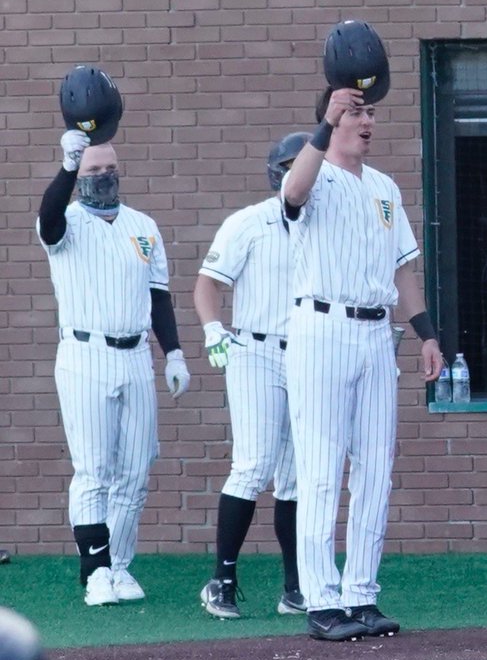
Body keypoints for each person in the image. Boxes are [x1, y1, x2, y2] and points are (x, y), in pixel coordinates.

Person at [281, 86, 443, 641]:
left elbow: (403, 270)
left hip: (376, 331)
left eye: (370, 112)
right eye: (355, 111)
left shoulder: (384, 187)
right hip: (321, 326)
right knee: (321, 469)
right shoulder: (314, 170)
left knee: (376, 467)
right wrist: (324, 124)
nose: (366, 120)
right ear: (332, 118)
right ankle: (321, 600)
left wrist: (427, 334)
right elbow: (293, 192)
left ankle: (361, 594)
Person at [37, 130, 191, 606]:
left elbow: (158, 296)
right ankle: (96, 570)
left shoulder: (143, 225)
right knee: (93, 468)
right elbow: (48, 221)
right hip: (86, 353)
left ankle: (120, 565)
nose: (103, 177)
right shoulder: (66, 221)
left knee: (136, 467)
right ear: (79, 174)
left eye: (109, 169)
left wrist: (174, 352)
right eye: (93, 170)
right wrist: (67, 167)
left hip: (135, 353)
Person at [194, 131, 312, 619]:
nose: (299, 173)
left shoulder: (326, 225)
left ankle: (296, 586)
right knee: (254, 464)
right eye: (289, 166)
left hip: (307, 352)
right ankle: (221, 580)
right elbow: (207, 284)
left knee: (299, 476)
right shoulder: (249, 222)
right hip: (254, 349)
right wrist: (212, 329)